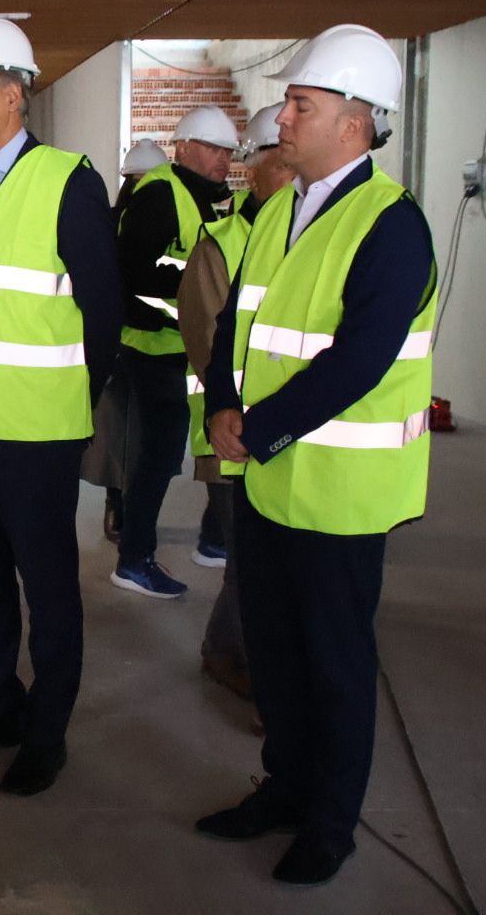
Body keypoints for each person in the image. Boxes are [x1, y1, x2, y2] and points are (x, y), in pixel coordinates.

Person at [196, 24, 436, 887]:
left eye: (302, 104)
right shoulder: (276, 211)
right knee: (275, 652)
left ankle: (331, 824)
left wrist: (255, 428)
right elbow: (235, 322)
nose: (282, 118)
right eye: (289, 103)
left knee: (334, 663)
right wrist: (223, 402)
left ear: (358, 124)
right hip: (269, 482)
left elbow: (361, 357)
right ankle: (285, 789)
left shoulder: (391, 224)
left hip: (338, 489)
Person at [0, 16, 121, 796]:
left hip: (37, 434)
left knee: (48, 589)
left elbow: (102, 317)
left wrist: (71, 406)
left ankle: (48, 730)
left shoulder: (68, 180)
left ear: (13, 97)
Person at [177, 103, 292, 703]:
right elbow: (207, 345)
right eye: (282, 159)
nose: (294, 172)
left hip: (292, 435)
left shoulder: (313, 234)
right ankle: (243, 662)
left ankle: (224, 650)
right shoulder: (221, 244)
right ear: (257, 167)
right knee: (252, 564)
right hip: (232, 435)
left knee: (255, 565)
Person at [110, 105, 238, 597]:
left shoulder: (200, 198)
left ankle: (208, 538)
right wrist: (191, 304)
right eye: (212, 149)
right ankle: (134, 558)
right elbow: (135, 277)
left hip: (179, 349)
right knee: (158, 457)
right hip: (152, 347)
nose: (222, 160)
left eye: (227, 152)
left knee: (183, 448)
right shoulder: (162, 195)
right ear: (183, 147)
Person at [86, 136, 169, 544]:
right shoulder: (147, 217)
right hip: (140, 347)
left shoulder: (110, 217)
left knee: (119, 434)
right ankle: (124, 512)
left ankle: (117, 508)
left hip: (116, 345)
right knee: (135, 438)